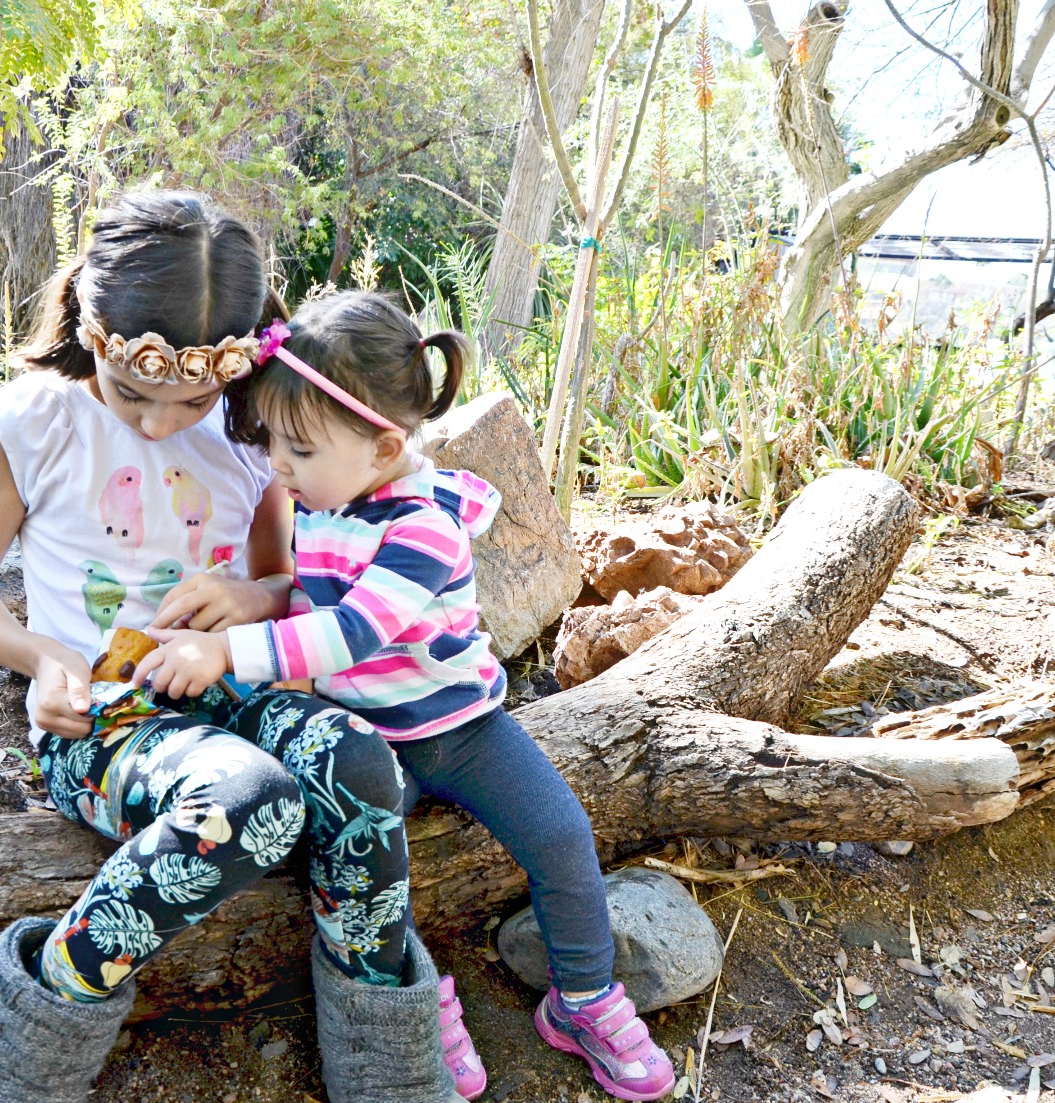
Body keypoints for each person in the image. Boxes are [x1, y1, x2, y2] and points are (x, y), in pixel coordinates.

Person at [0, 194, 465, 1103]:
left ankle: (385, 1064)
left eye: (192, 400)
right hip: (105, 718)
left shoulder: (257, 432)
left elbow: (281, 578)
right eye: (132, 394)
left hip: (233, 684)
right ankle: (17, 1049)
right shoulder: (33, 421)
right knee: (246, 800)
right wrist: (43, 658)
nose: (158, 424)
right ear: (93, 335)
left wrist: (247, 597)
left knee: (358, 759)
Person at [135, 290, 678, 1103]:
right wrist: (249, 605)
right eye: (274, 442)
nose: (278, 464)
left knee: (561, 834)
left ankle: (584, 994)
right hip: (360, 743)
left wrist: (226, 652)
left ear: (385, 446)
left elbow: (352, 631)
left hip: (461, 729)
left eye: (298, 448)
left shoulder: (423, 525)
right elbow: (307, 596)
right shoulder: (323, 500)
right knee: (365, 864)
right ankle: (418, 1000)